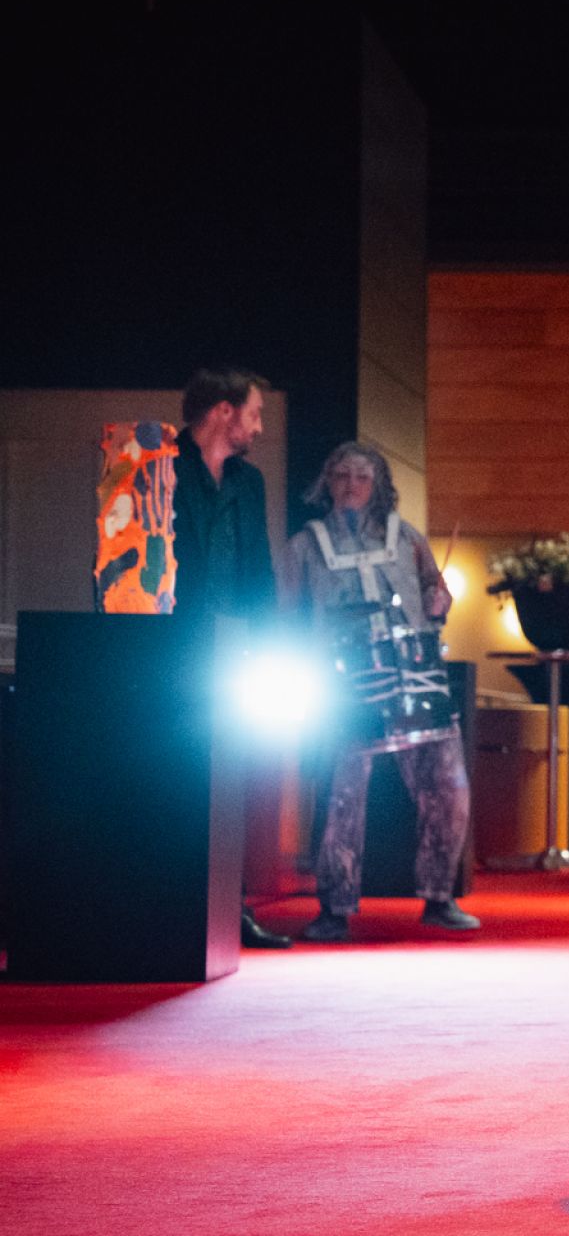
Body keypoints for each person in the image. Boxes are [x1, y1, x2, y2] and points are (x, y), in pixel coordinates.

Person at [280, 443, 479, 941]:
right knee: (342, 796)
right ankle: (334, 907)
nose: (351, 485)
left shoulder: (407, 538)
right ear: (327, 482)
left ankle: (439, 896)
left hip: (414, 676)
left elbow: (434, 589)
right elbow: (287, 612)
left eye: (361, 477)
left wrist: (439, 600)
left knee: (447, 787)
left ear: (378, 485)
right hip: (345, 683)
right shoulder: (305, 546)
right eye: (341, 475)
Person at [171, 367, 290, 951]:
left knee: (228, 783)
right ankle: (172, 904)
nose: (259, 427)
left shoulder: (249, 481)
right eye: (254, 413)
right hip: (172, 649)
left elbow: (259, 567)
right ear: (224, 410)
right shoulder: (158, 465)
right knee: (174, 778)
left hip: (232, 651)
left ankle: (228, 908)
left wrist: (267, 644)